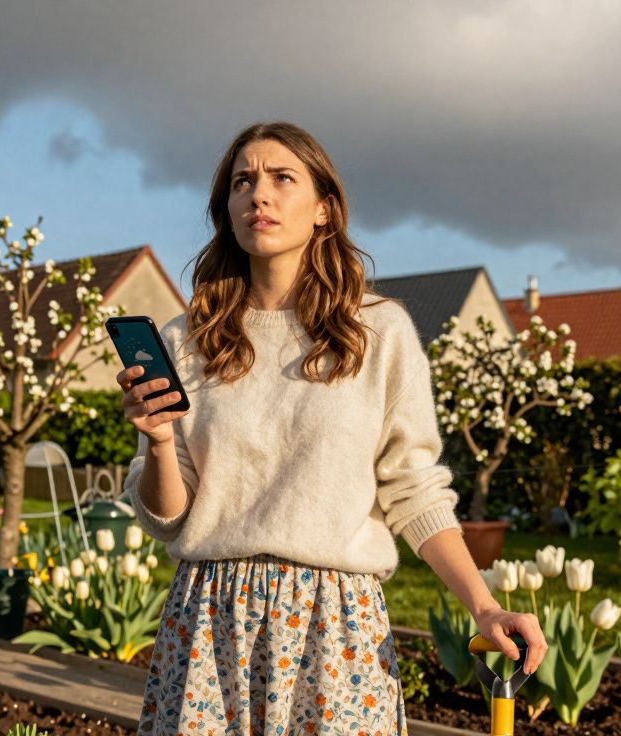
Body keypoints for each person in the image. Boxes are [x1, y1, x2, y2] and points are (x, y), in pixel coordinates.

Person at [119, 121, 546, 734]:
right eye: (243, 182)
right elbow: (169, 518)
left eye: (280, 178)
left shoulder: (379, 333)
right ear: (227, 210)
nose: (257, 195)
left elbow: (413, 489)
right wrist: (159, 442)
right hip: (207, 620)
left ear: (324, 208)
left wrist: (482, 606)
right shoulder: (185, 342)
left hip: (335, 626)